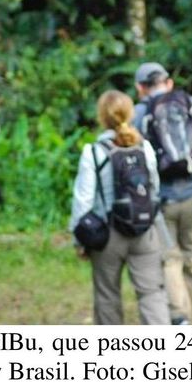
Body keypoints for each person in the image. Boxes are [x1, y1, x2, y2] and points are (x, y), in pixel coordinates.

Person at [133, 62, 192, 325]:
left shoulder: (139, 114)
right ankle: (188, 318)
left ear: (140, 88)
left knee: (169, 260)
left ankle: (178, 317)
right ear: (169, 82)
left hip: (161, 200)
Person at [69, 90, 169, 325]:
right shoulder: (145, 148)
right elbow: (153, 188)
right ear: (130, 114)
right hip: (144, 230)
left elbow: (83, 199)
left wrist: (80, 239)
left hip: (108, 234)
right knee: (152, 293)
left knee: (107, 295)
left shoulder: (93, 152)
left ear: (102, 117)